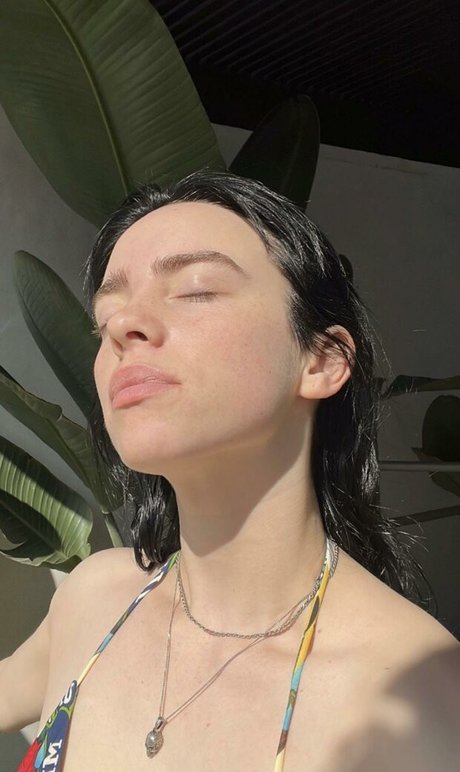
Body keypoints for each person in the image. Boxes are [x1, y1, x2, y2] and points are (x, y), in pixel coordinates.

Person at [1, 169, 458, 771]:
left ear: (322, 360)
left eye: (195, 290)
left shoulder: (417, 705)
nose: (121, 328)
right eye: (105, 315)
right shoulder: (97, 599)